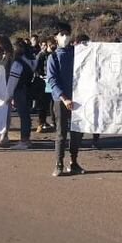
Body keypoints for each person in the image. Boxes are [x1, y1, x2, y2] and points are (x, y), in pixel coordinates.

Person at [46, 22, 83, 177]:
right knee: (61, 133)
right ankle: (59, 163)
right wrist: (64, 98)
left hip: (79, 99)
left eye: (67, 33)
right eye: (62, 34)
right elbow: (52, 80)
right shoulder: (53, 57)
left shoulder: (79, 53)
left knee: (77, 133)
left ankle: (74, 162)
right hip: (61, 100)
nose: (65, 37)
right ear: (56, 38)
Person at [5, 38, 36, 150]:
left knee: (23, 116)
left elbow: (13, 80)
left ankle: (24, 141)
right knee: (26, 116)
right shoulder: (31, 60)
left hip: (20, 91)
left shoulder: (17, 63)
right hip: (29, 89)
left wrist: (8, 95)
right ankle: (27, 139)